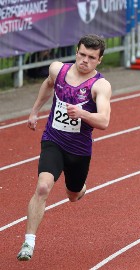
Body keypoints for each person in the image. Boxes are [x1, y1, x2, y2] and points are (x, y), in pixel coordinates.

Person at [17, 34, 112, 261]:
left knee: (73, 194)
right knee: (43, 187)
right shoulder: (57, 70)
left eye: (91, 57)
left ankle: (80, 188)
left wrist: (82, 113)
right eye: (82, 54)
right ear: (76, 52)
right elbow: (48, 85)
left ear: (99, 60)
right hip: (53, 140)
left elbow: (104, 121)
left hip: (79, 150)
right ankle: (28, 243)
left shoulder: (100, 85)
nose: (85, 60)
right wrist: (34, 111)